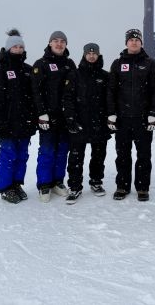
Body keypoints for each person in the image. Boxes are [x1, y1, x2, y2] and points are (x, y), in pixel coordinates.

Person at [107, 29, 155, 202]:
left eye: (137, 39)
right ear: (126, 43)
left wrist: (153, 113)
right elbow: (111, 91)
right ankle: (122, 186)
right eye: (131, 40)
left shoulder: (151, 63)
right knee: (122, 154)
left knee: (144, 155)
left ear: (141, 43)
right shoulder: (117, 64)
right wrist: (111, 114)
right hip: (122, 119)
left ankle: (142, 188)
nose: (134, 42)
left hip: (143, 119)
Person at [0, 29, 37, 203]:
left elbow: (34, 98)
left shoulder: (28, 70)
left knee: (22, 155)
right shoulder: (0, 70)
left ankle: (16, 184)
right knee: (8, 154)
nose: (18, 49)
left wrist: (33, 119)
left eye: (20, 47)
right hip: (8, 123)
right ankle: (4, 187)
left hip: (25, 122)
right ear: (8, 48)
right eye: (15, 46)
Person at [62, 43, 111, 204]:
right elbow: (67, 99)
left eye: (94, 53)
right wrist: (70, 119)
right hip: (79, 123)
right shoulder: (74, 75)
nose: (91, 56)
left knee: (98, 156)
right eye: (88, 53)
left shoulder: (105, 76)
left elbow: (110, 100)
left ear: (98, 55)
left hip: (99, 124)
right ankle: (75, 187)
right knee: (76, 157)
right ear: (84, 55)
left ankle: (96, 182)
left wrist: (110, 118)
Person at [33, 31, 77, 203]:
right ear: (50, 43)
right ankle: (44, 184)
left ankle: (57, 181)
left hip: (66, 117)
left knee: (62, 151)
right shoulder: (41, 64)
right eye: (55, 41)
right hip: (48, 117)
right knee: (47, 151)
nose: (59, 44)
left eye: (62, 41)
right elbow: (36, 92)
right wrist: (41, 113)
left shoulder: (69, 64)